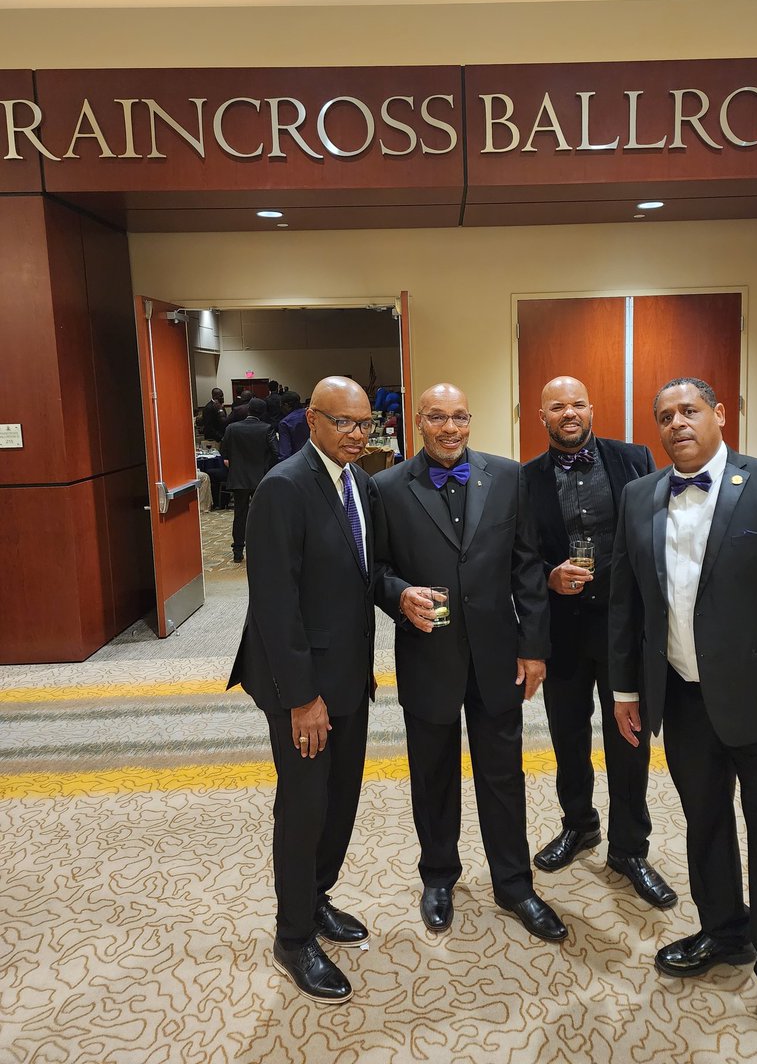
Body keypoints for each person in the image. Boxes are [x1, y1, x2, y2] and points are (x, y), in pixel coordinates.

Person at [609, 377, 757, 1064]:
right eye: (664, 415)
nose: (676, 422)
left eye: (689, 410)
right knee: (705, 824)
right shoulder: (639, 496)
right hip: (683, 700)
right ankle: (724, 933)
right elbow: (627, 605)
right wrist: (628, 689)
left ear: (721, 415)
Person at [372, 383, 567, 943]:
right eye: (438, 417)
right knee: (432, 774)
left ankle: (514, 883)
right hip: (427, 654)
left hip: (497, 655)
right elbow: (376, 569)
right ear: (418, 422)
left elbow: (527, 567)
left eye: (460, 416)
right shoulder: (386, 486)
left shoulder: (507, 477)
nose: (450, 428)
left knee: (503, 774)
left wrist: (533, 647)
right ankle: (438, 875)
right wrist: (398, 593)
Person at [227, 377, 379, 1005]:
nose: (357, 436)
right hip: (303, 685)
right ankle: (293, 936)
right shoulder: (284, 487)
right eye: (344, 424)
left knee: (341, 796)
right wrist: (302, 699)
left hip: (348, 674)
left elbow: (367, 576)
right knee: (304, 806)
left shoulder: (359, 484)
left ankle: (317, 898)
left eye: (365, 425)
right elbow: (275, 604)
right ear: (312, 421)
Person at [523, 376, 676, 908]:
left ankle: (630, 847)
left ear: (592, 408)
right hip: (562, 630)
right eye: (557, 406)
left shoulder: (632, 458)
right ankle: (579, 824)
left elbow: (659, 532)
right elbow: (519, 556)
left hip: (623, 627)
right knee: (568, 737)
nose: (569, 413)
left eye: (578, 404)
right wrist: (548, 575)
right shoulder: (525, 480)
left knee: (629, 740)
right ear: (540, 416)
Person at [220, 396, 278, 563]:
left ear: (248, 410)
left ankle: (238, 551)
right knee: (262, 515)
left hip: (238, 478)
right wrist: (267, 468)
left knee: (240, 515)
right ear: (263, 412)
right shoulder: (267, 428)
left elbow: (224, 451)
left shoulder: (232, 428)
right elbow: (276, 452)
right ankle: (263, 549)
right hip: (261, 478)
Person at [278, 390, 311, 460]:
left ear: (286, 405)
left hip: (297, 462)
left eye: (281, 406)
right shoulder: (310, 416)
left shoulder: (285, 423)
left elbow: (285, 453)